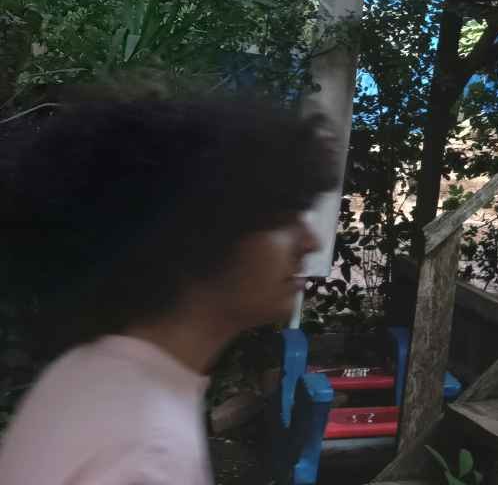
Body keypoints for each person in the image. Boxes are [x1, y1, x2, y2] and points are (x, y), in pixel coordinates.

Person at [0, 99, 339, 485]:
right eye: (281, 218)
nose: (310, 241)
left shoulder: (93, 372)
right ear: (198, 237)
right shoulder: (146, 447)